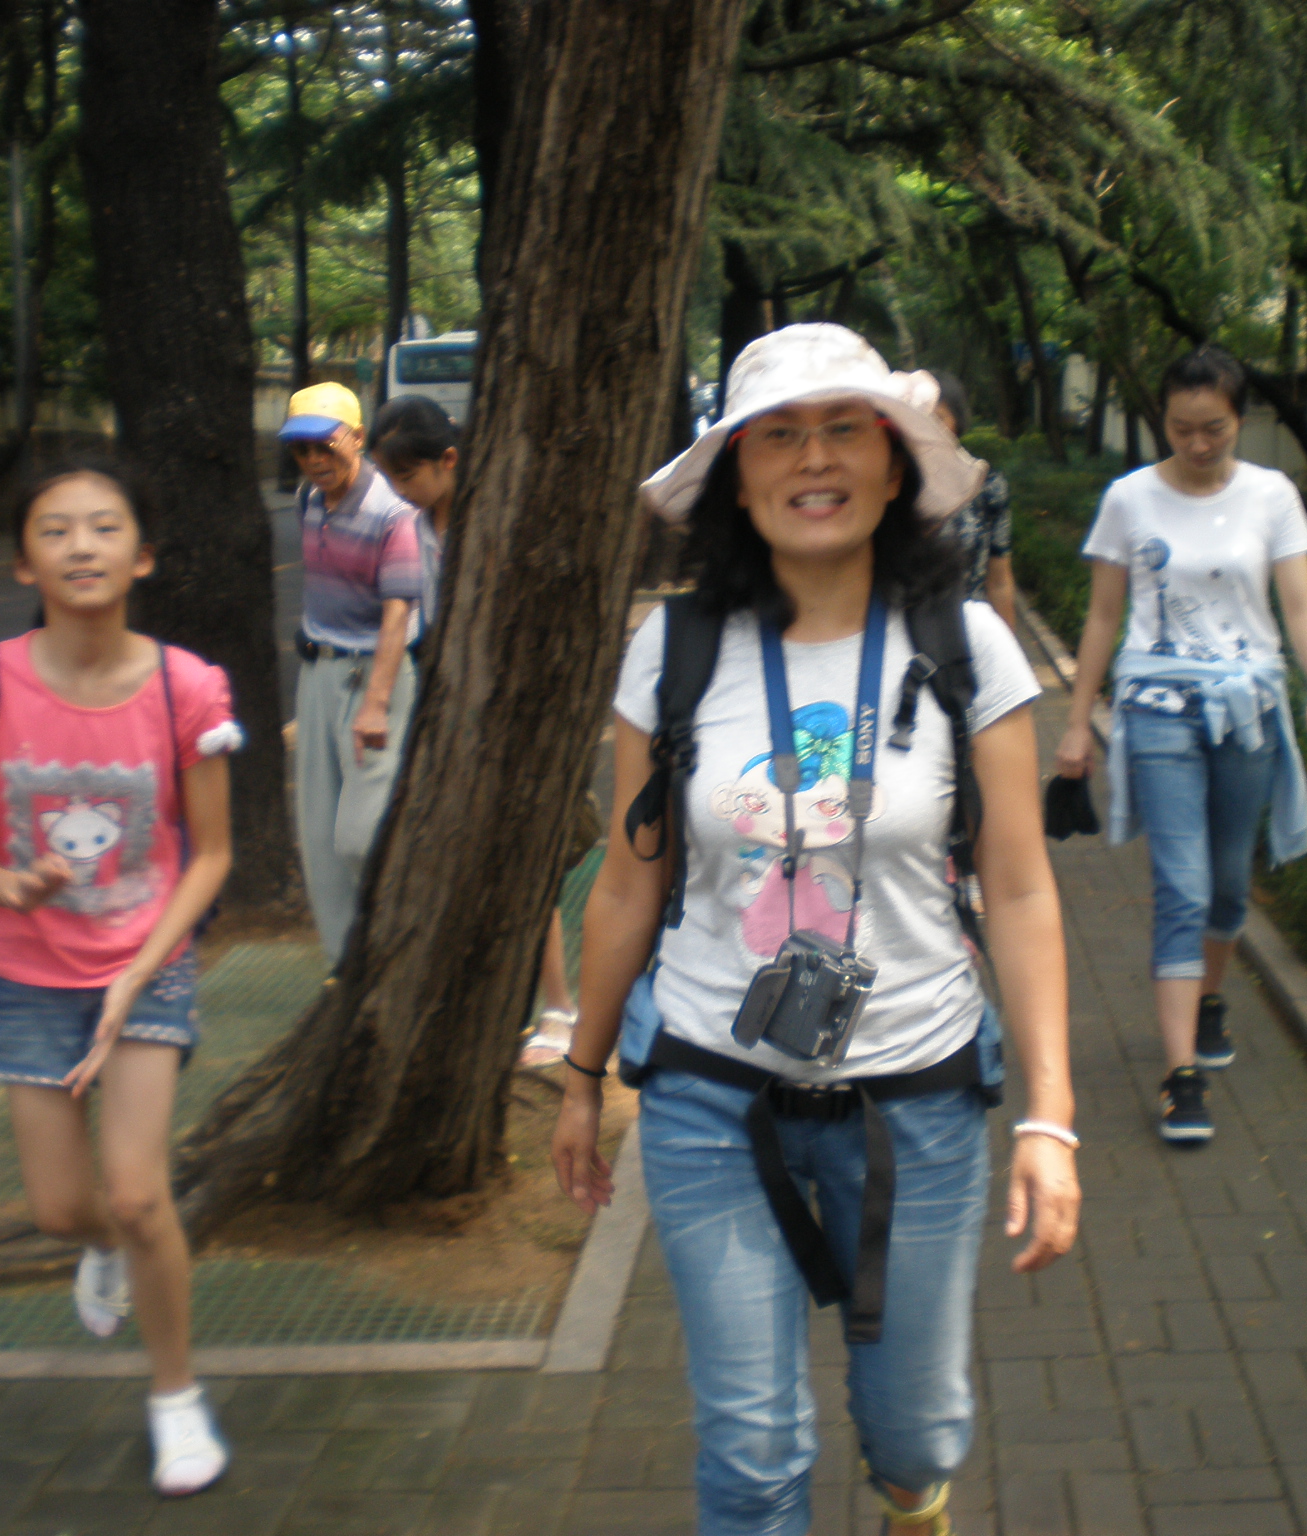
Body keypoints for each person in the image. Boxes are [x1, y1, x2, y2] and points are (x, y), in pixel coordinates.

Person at [552, 324, 1080, 1536]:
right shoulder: (674, 650)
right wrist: (581, 1076)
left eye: (844, 428)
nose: (814, 457)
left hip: (914, 1101)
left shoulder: (964, 647)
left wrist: (1048, 1120)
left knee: (916, 1431)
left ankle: (914, 1501)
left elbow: (1020, 891)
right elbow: (627, 885)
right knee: (751, 1450)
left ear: (894, 465)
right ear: (736, 478)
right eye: (778, 435)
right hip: (710, 1095)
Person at [0, 461, 241, 1497]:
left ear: (141, 556)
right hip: (22, 973)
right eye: (55, 530)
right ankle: (103, 1246)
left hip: (145, 966)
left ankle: (175, 1398)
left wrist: (140, 970)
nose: (82, 545)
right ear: (26, 562)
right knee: (64, 1210)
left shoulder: (186, 687)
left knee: (139, 1194)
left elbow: (211, 855)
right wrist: (15, 885)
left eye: (105, 527)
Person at [1052, 344, 1307, 1145]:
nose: (1197, 442)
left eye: (1213, 427)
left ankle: (1210, 997)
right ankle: (1181, 1077)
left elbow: (1300, 605)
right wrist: (1076, 721)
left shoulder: (1272, 496)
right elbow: (1103, 616)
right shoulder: (1128, 498)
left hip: (1248, 709)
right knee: (1181, 887)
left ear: (1240, 419)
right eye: (1182, 428)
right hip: (1156, 709)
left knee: (1225, 883)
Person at [366, 392, 587, 1065]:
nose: (398, 490)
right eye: (390, 478)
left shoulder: (497, 521)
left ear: (450, 460)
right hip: (450, 714)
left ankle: (560, 1007)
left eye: (407, 475)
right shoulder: (416, 528)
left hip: (512, 714)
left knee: (523, 860)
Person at [281, 381, 422, 963]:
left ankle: (402, 943)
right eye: (301, 449)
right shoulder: (308, 501)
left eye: (325, 445)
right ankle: (348, 969)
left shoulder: (393, 514)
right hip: (318, 673)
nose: (314, 459)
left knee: (362, 836)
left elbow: (398, 615)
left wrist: (375, 703)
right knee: (318, 836)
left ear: (357, 438)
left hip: (376, 678)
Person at [927, 370, 1015, 631]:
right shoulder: (891, 487)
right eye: (919, 417)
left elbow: (999, 581)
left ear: (958, 420)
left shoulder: (988, 486)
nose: (927, 428)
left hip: (969, 632)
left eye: (938, 418)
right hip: (901, 633)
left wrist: (1008, 646)